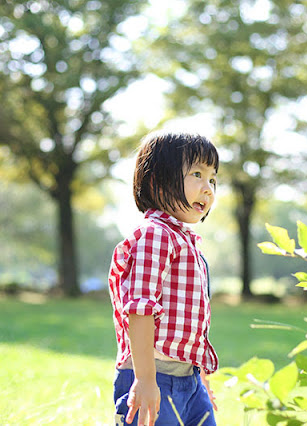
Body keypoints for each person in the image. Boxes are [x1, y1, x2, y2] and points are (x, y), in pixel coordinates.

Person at [108, 131, 220, 426]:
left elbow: (192, 323)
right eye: (197, 174)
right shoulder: (155, 236)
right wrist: (145, 379)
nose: (208, 188)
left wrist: (200, 379)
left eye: (212, 179)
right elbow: (139, 309)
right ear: (157, 180)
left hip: (189, 381)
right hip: (153, 375)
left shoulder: (186, 242)